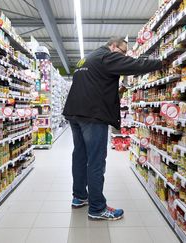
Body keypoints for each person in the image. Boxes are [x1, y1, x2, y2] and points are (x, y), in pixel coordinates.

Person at [63, 36, 164, 220]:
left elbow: (96, 85)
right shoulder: (107, 56)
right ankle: (97, 208)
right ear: (113, 46)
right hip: (92, 116)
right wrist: (161, 62)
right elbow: (135, 65)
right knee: (96, 161)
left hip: (74, 113)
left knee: (80, 156)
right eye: (123, 51)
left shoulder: (87, 58)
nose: (124, 55)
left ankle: (79, 197)